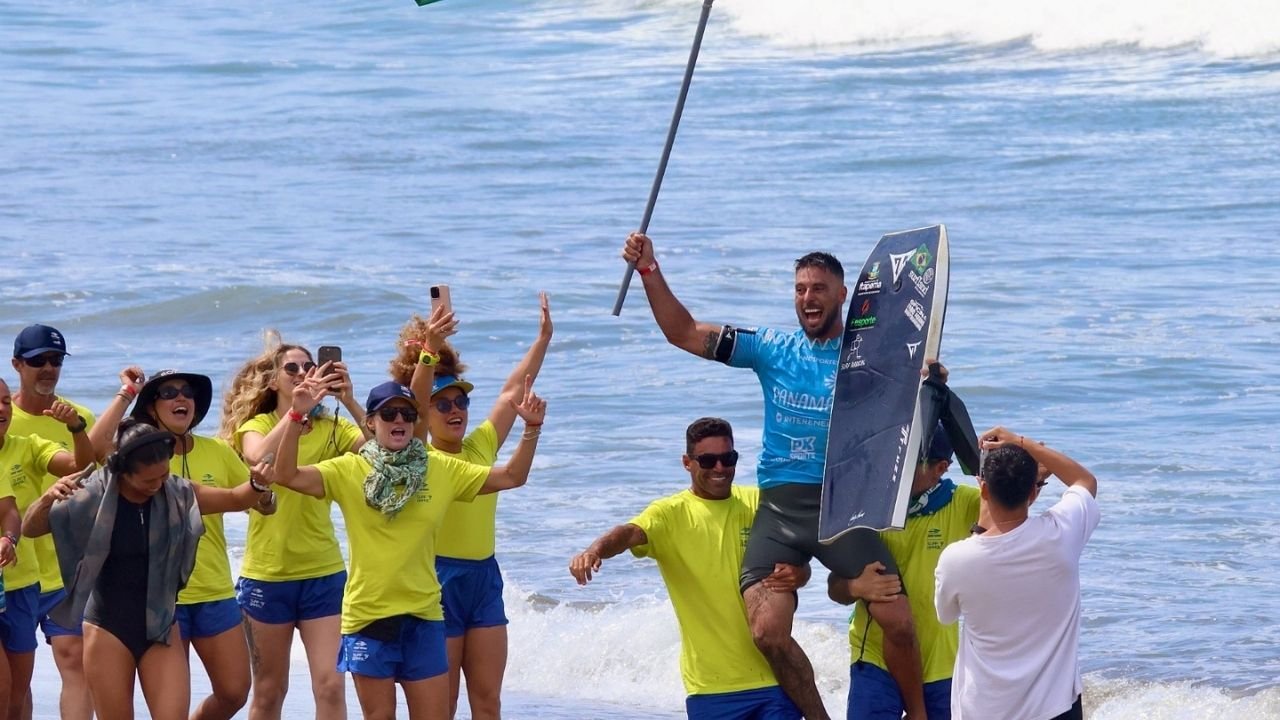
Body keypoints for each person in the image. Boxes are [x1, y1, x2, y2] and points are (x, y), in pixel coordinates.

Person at [621, 233, 924, 719]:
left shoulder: (866, 356)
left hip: (842, 506)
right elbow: (681, 331)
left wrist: (929, 378)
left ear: (844, 295)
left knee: (899, 620)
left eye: (820, 288)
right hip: (781, 510)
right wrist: (649, 271)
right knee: (766, 631)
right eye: (801, 288)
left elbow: (912, 391)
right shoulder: (771, 349)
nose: (809, 297)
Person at [272, 337, 545, 720]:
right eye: (388, 415)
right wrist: (297, 416)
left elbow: (514, 476)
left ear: (416, 422)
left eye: (405, 414)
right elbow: (284, 475)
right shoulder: (349, 470)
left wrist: (532, 429)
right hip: (368, 618)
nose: (398, 420)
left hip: (425, 617)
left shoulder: (441, 469)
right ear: (370, 422)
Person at [23, 418, 274, 720]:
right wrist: (50, 497)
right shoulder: (94, 494)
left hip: (161, 625)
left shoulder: (177, 491)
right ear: (123, 472)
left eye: (164, 475)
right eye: (147, 481)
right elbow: (31, 528)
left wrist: (257, 483)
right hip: (107, 629)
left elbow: (235, 499)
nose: (158, 485)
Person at [569, 417, 807, 720]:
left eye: (728, 458)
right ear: (687, 462)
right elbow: (628, 534)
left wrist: (799, 574)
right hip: (710, 689)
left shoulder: (759, 503)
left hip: (776, 680)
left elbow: (800, 560)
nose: (720, 468)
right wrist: (594, 551)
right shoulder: (670, 515)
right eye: (708, 460)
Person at [389, 292, 553, 720]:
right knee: (440, 706)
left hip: (484, 578)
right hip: (437, 577)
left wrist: (543, 339)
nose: (455, 408)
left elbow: (513, 392)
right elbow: (414, 403)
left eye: (461, 401)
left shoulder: (480, 446)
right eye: (443, 404)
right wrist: (429, 348)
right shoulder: (420, 454)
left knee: (488, 702)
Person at [92, 369, 272, 720]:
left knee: (235, 691)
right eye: (169, 392)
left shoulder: (217, 451)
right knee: (168, 705)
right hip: (160, 600)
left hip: (213, 591)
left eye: (187, 392)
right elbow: (96, 450)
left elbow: (248, 499)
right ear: (151, 407)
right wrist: (127, 392)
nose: (181, 398)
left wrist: (264, 494)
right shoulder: (135, 454)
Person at [219, 335, 367, 720]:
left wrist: (349, 399)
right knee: (269, 692)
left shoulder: (333, 426)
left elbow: (378, 450)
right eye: (292, 369)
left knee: (331, 685)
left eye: (308, 367)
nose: (302, 373)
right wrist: (296, 413)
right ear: (273, 382)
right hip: (267, 576)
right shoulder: (259, 423)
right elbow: (258, 455)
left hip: (323, 573)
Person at [934, 428, 1100, 720]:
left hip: (984, 709)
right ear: (1034, 491)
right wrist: (1023, 443)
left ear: (983, 490)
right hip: (1055, 709)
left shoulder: (957, 559)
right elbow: (1084, 481)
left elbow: (946, 615)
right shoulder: (1060, 536)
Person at [828, 427, 979, 720]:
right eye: (899, 457)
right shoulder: (868, 506)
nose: (899, 468)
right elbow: (835, 587)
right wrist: (855, 587)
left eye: (912, 462)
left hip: (940, 665)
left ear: (940, 468)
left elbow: (1010, 499)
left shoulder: (964, 504)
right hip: (874, 660)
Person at [8, 324, 102, 720]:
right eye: (38, 361)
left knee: (75, 660)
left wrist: (78, 427)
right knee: (17, 682)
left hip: (68, 568)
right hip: (16, 569)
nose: (48, 368)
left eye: (56, 360)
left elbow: (93, 467)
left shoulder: (78, 416)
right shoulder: (3, 416)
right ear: (17, 365)